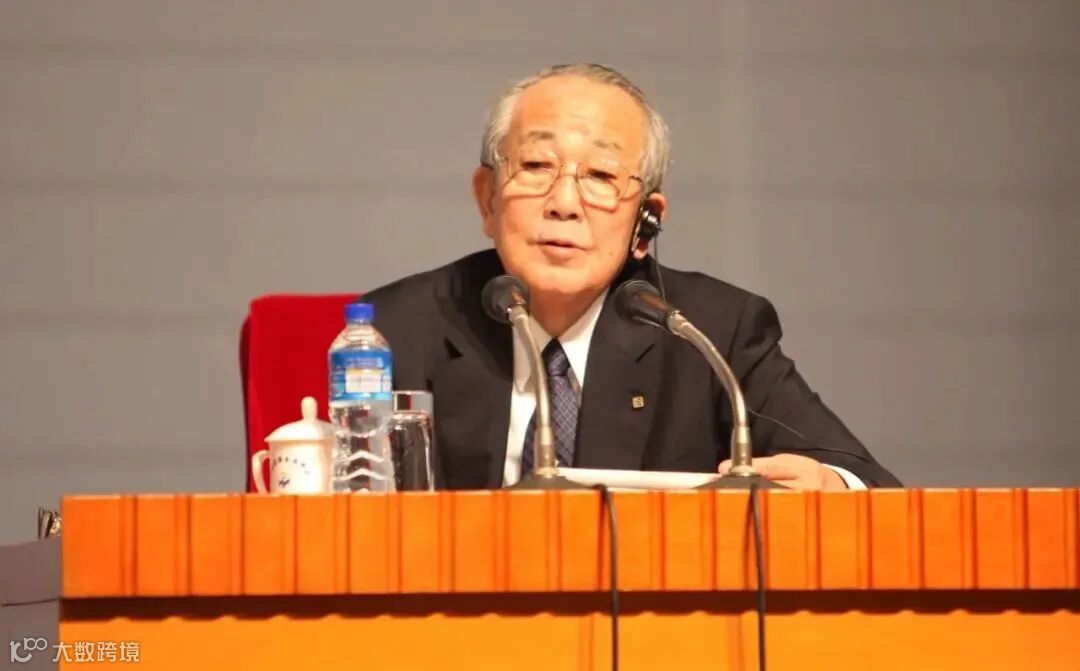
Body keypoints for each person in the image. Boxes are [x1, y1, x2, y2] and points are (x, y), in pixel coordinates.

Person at [366, 63, 901, 490]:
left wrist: (831, 484)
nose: (564, 203)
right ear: (488, 199)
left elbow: (868, 484)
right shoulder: (398, 330)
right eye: (535, 166)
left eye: (600, 176)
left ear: (646, 223)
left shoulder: (712, 333)